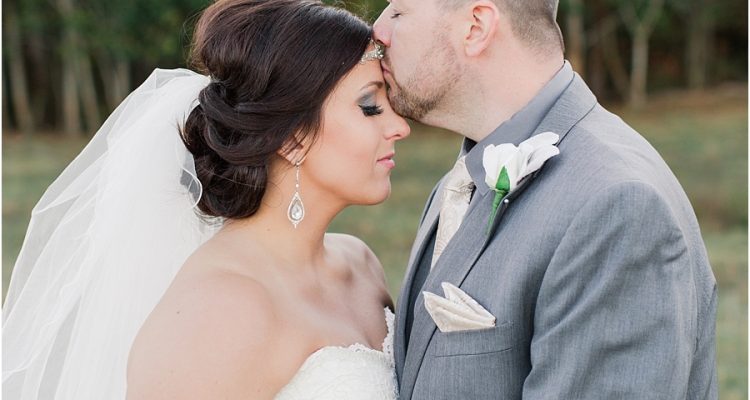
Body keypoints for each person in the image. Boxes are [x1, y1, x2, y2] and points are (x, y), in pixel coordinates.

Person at [2, 0, 410, 398]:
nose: (399, 127)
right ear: (292, 138)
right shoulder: (220, 308)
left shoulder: (360, 266)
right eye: (370, 106)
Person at [373, 0, 718, 398]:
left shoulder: (617, 206)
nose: (378, 31)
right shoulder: (464, 179)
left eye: (398, 11)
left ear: (476, 27)